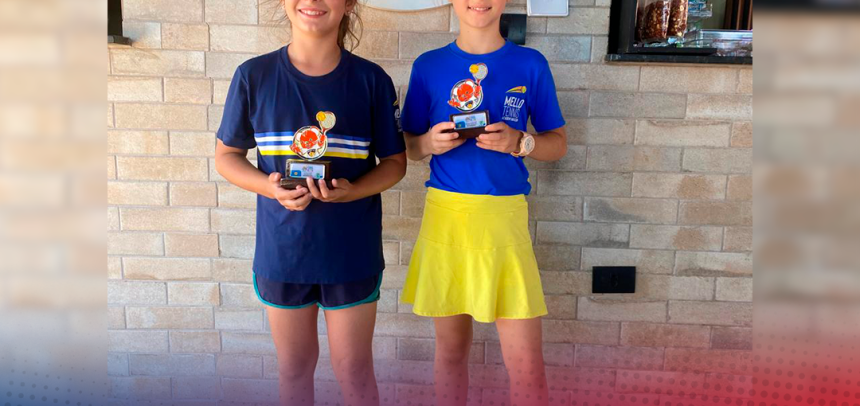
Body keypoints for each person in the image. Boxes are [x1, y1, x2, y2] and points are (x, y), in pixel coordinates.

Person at [214, 1, 406, 405]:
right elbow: (227, 156)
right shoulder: (254, 76)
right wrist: (271, 188)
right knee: (294, 369)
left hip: (351, 254)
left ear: (349, 4)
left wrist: (352, 191)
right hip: (283, 254)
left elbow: (395, 163)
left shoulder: (372, 80)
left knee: (354, 370)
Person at [399, 1, 568, 405]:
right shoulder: (428, 65)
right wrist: (429, 143)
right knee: (451, 353)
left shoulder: (530, 64)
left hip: (504, 221)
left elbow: (557, 144)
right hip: (446, 221)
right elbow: (407, 147)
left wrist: (520, 142)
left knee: (527, 364)